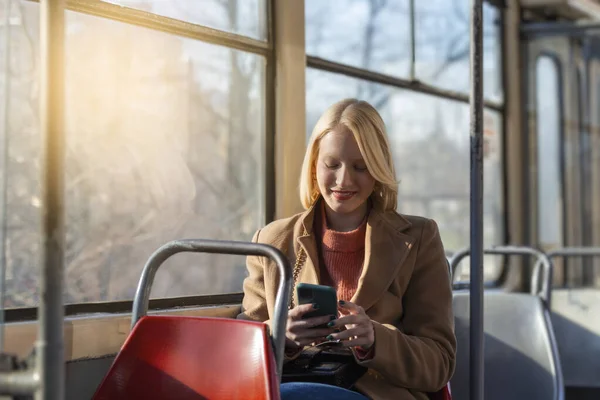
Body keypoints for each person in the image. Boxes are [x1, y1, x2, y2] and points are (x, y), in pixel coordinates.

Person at [238, 98, 456, 400]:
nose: (344, 180)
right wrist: (280, 335)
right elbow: (240, 348)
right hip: (293, 381)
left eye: (360, 167)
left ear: (378, 169)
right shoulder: (273, 240)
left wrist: (374, 340)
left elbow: (438, 363)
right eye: (332, 164)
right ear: (315, 165)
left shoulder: (418, 238)